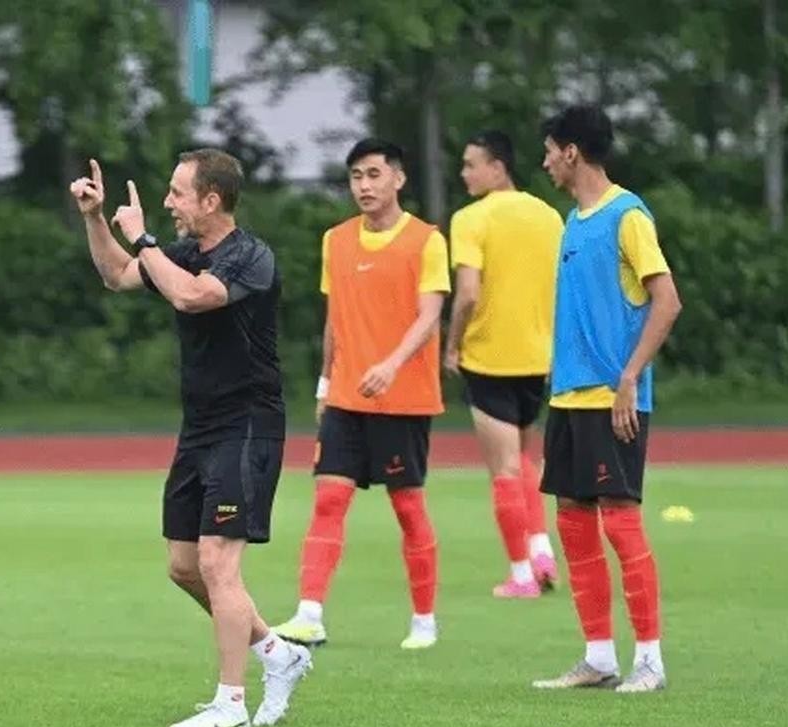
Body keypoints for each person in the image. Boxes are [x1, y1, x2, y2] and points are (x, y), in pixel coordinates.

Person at [69, 149, 311, 727]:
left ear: (212, 199)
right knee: (184, 567)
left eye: (178, 193)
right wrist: (97, 219)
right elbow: (118, 275)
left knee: (217, 563)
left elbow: (192, 296)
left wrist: (143, 238)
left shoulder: (250, 256)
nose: (168, 202)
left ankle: (231, 703)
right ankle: (278, 653)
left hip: (247, 424)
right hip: (200, 426)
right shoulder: (179, 252)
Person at [271, 139, 448, 650]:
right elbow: (335, 319)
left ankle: (424, 621)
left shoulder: (426, 241)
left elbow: (430, 315)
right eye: (356, 176)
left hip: (404, 398)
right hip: (346, 396)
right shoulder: (337, 240)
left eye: (374, 174)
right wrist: (326, 384)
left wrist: (391, 365)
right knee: (329, 498)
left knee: (408, 507)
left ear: (398, 178)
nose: (364, 186)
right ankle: (309, 614)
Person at [531, 104, 682, 693]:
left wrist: (629, 378)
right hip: (569, 400)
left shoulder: (627, 215)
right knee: (573, 522)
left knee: (620, 521)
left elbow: (667, 301)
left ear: (572, 151)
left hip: (612, 399)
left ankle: (650, 661)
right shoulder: (573, 220)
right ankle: (599, 656)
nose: (546, 162)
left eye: (550, 151)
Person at [445, 130, 564, 599]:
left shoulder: (471, 218)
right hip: (537, 356)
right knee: (523, 459)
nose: (464, 173)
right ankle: (541, 551)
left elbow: (468, 293)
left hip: (490, 356)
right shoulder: (549, 216)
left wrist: (452, 345)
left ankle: (521, 575)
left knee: (504, 469)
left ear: (497, 168)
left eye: (471, 164)